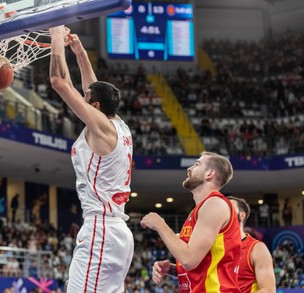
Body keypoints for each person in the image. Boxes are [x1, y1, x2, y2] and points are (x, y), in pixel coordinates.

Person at [49, 26, 134, 292]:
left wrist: (55, 36)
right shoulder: (118, 124)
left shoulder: (101, 125)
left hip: (102, 229)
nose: (82, 100)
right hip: (117, 231)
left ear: (95, 107)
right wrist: (80, 53)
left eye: (86, 100)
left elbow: (59, 82)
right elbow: (92, 89)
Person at [141, 151, 241, 293]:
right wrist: (172, 269)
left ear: (209, 174)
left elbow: (189, 260)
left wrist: (160, 225)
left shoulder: (214, 204)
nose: (189, 169)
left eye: (197, 164)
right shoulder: (200, 209)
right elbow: (198, 265)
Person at [228, 196, 276, 293]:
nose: (224, 212)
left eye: (229, 208)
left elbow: (269, 290)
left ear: (242, 215)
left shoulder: (257, 249)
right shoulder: (212, 246)